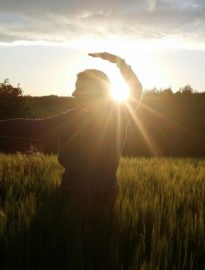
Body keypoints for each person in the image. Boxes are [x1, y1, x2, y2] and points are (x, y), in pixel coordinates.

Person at [0, 52, 142, 267]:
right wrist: (118, 62)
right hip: (108, 190)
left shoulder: (74, 119)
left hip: (74, 190)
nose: (73, 92)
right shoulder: (120, 114)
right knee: (98, 248)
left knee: (68, 248)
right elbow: (136, 88)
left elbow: (31, 126)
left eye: (79, 88)